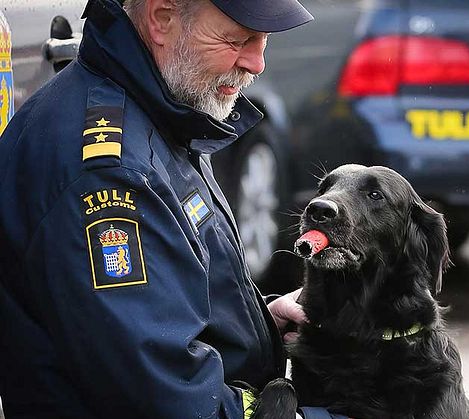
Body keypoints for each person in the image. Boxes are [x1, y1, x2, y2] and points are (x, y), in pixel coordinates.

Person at [0, 0, 343, 417]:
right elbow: (169, 399)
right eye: (237, 40)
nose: (256, 64)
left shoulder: (160, 108)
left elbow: (160, 312)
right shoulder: (111, 172)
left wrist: (258, 326)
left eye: (263, 42)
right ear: (163, 19)